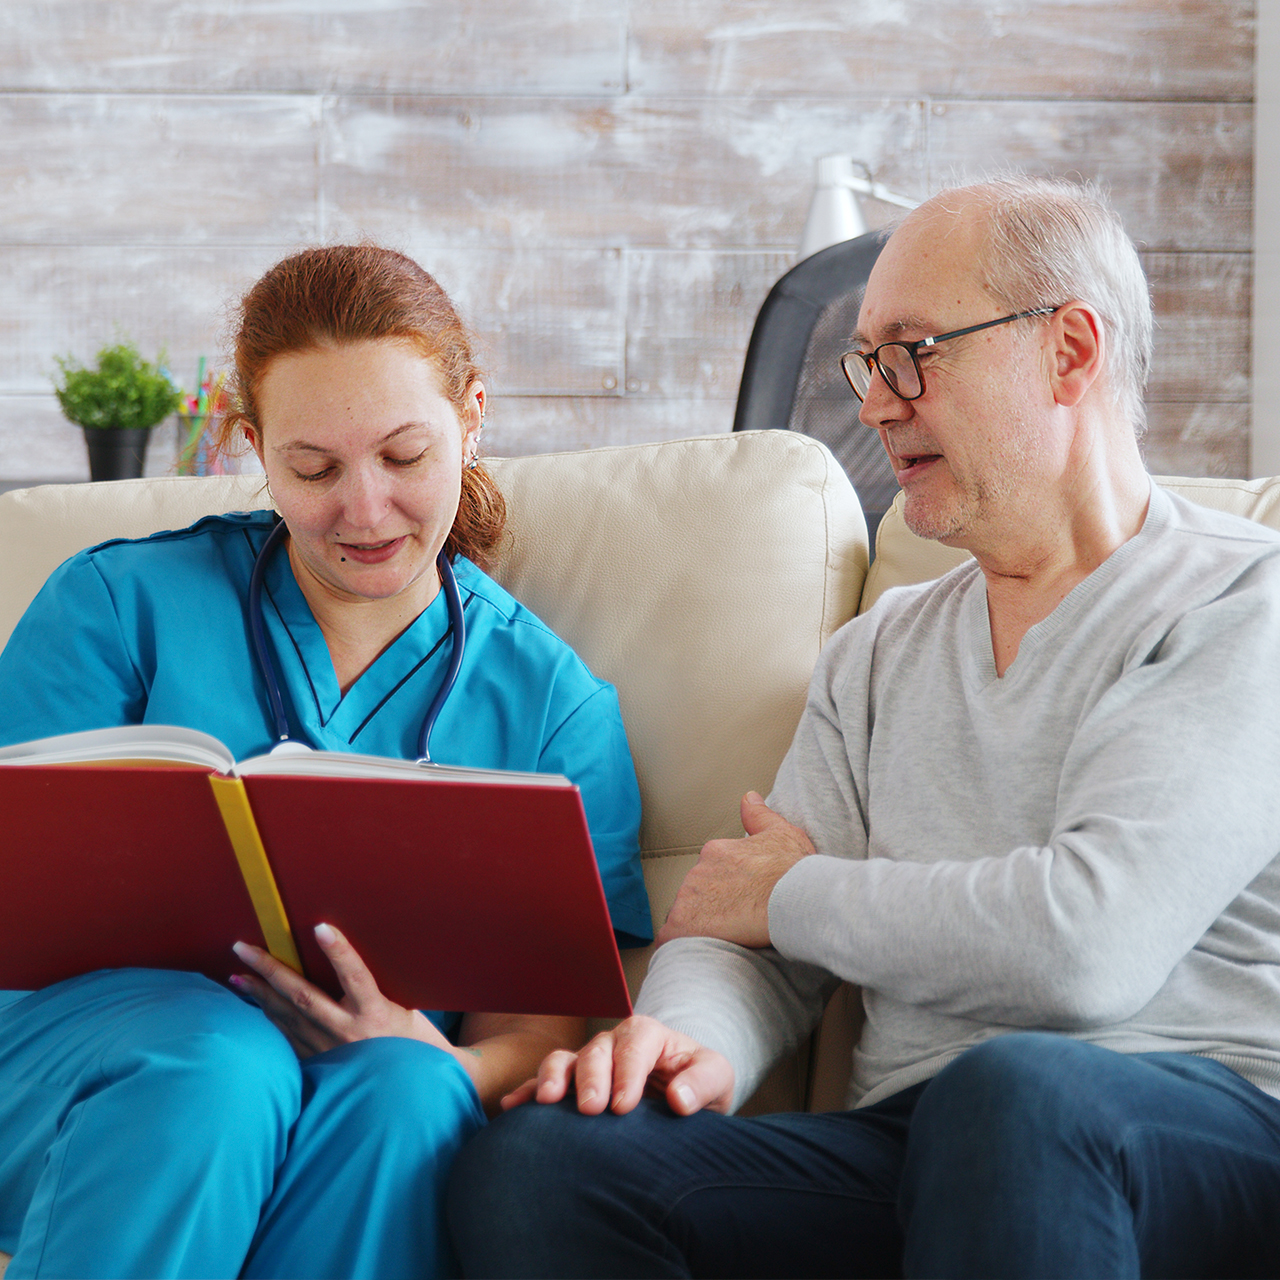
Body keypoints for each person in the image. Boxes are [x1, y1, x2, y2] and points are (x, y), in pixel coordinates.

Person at [446, 177, 1280, 1279]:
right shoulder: (881, 650)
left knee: (1013, 1092)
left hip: (1186, 1127)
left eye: (912, 351)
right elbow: (739, 933)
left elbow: (1083, 944)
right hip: (920, 1141)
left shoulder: (1239, 604)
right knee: (543, 1158)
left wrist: (794, 894)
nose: (876, 401)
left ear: (1068, 350)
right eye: (865, 362)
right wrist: (687, 1037)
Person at [0, 244, 652, 1279]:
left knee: (409, 1091)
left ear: (471, 418)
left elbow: (536, 1028)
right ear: (254, 446)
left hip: (369, 1086)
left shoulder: (550, 703)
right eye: (312, 467)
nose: (362, 508)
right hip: (85, 1063)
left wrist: (438, 1053)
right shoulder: (115, 607)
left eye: (403, 457)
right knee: (221, 1058)